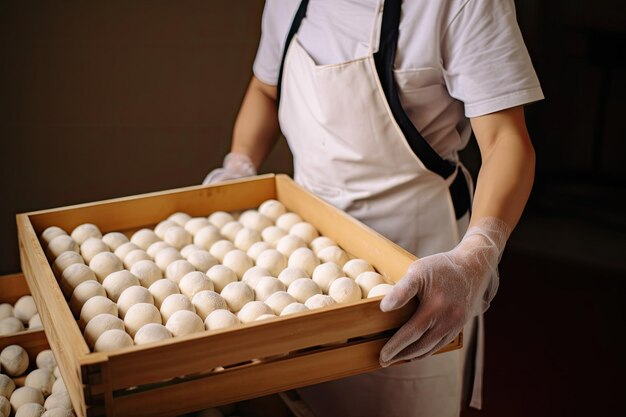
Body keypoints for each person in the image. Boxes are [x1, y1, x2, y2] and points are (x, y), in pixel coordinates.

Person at [204, 0, 543, 416]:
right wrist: (240, 163)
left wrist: (479, 252)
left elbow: (506, 141)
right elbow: (264, 89)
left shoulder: (462, 4)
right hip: (304, 247)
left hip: (413, 259)